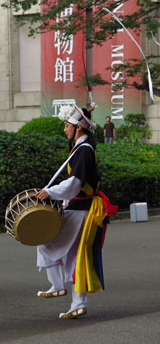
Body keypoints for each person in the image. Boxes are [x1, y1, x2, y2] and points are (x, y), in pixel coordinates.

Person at [35, 104, 117, 319]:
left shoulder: (84, 150)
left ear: (78, 127)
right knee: (75, 256)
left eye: (66, 125)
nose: (64, 130)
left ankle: (58, 285)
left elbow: (74, 184)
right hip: (81, 208)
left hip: (81, 210)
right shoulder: (83, 147)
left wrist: (49, 193)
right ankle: (77, 302)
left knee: (45, 241)